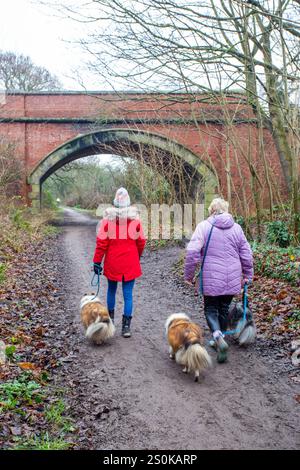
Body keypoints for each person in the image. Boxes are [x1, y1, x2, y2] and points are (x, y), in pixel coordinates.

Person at [184, 198, 253, 363]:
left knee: (210, 308)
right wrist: (248, 275)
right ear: (226, 210)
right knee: (223, 308)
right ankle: (219, 338)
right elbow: (246, 253)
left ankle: (217, 337)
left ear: (211, 211)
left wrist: (188, 275)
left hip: (211, 275)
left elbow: (192, 252)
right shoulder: (237, 228)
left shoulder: (204, 227)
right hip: (233, 276)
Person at [93, 188, 146, 337]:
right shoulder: (135, 221)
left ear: (115, 203)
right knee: (128, 294)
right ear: (128, 202)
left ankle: (110, 323)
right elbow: (141, 241)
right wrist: (137, 256)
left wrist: (97, 262)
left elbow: (101, 243)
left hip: (113, 261)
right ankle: (126, 328)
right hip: (130, 261)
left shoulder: (107, 221)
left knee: (111, 290)